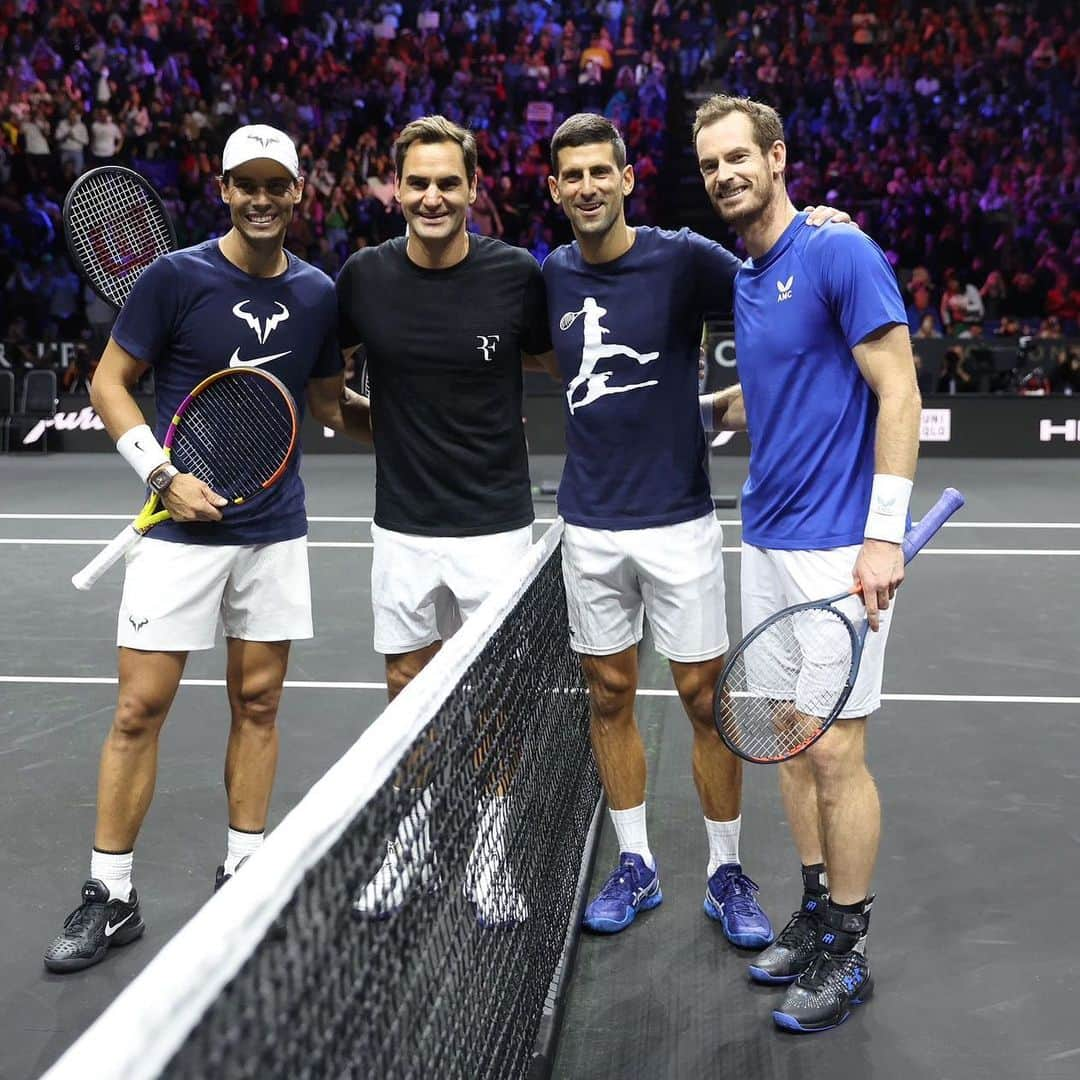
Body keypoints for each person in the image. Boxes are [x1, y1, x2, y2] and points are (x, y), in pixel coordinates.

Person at [43, 124, 370, 973]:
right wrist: (160, 476)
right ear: (223, 188)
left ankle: (244, 876)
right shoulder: (173, 276)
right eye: (244, 184)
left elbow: (333, 407)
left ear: (300, 193)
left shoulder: (317, 293)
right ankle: (109, 895)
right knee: (136, 710)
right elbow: (108, 383)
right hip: (180, 530)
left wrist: (439, 421)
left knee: (259, 706)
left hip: (273, 528)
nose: (261, 198)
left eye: (276, 185)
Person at [542, 112, 849, 947]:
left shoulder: (682, 257)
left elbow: (775, 263)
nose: (588, 187)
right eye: (572, 175)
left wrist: (826, 222)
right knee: (608, 697)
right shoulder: (552, 278)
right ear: (556, 187)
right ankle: (635, 863)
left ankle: (724, 871)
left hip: (679, 519)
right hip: (590, 525)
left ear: (627, 178)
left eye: (602, 171)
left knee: (707, 702)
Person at [693, 94, 921, 1032]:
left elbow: (899, 391)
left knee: (837, 749)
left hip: (838, 546)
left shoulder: (838, 250)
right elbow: (786, 381)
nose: (724, 175)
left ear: (778, 157)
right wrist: (710, 405)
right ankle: (818, 910)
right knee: (790, 737)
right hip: (768, 537)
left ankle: (852, 946)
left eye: (739, 158)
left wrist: (882, 534)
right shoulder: (749, 272)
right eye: (709, 165)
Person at [336, 115, 554, 923]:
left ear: (472, 189)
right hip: (402, 524)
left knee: (496, 699)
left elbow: (555, 355)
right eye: (417, 182)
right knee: (406, 688)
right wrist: (388, 434)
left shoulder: (516, 276)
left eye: (447, 182)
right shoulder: (362, 277)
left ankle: (489, 849)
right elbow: (331, 395)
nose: (432, 196)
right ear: (397, 189)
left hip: (495, 525)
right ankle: (413, 839)